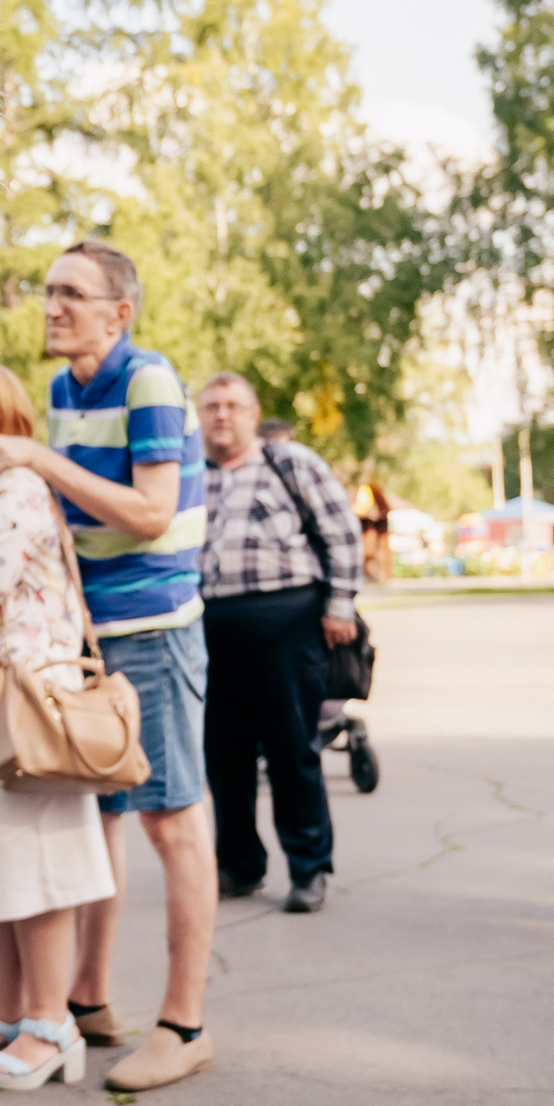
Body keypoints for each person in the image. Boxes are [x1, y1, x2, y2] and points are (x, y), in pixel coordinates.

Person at [0, 239, 218, 1093]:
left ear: (121, 313)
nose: (52, 307)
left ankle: (185, 1023)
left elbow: (151, 514)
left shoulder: (146, 378)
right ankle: (87, 998)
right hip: (90, 639)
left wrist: (39, 459)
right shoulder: (61, 389)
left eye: (73, 294)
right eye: (48, 292)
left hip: (153, 626)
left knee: (171, 819)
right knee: (99, 818)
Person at [0, 365, 114, 1091]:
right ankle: (5, 1013)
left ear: (13, 421)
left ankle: (50, 1022)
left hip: (27, 708)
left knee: (32, 867)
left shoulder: (17, 492)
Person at [193, 373, 363, 914]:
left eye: (233, 406)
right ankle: (239, 866)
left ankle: (309, 868)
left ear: (253, 413)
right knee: (224, 756)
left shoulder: (290, 463)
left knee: (292, 750)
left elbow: (341, 531)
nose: (222, 415)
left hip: (285, 619)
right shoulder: (187, 473)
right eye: (212, 406)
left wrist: (340, 606)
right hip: (209, 623)